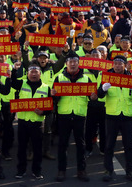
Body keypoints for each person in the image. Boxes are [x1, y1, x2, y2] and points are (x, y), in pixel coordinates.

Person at [97, 54, 132, 182]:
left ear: (125, 65)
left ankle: (130, 171)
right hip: (112, 114)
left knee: (129, 145)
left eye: (120, 64)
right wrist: (103, 89)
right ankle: (108, 170)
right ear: (113, 64)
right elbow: (100, 94)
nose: (117, 66)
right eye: (115, 63)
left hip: (127, 115)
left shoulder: (131, 77)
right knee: (109, 145)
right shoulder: (107, 77)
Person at [52, 52, 95, 182]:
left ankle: (81, 170)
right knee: (62, 144)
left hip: (79, 115)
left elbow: (91, 97)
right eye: (70, 61)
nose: (72, 63)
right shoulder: (59, 78)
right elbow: (55, 99)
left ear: (78, 63)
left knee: (80, 145)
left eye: (75, 61)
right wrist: (53, 94)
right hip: (64, 115)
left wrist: (93, 97)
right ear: (66, 63)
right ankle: (61, 170)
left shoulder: (86, 79)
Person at [11, 59, 49, 180]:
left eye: (36, 72)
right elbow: (12, 82)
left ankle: (36, 171)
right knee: (21, 148)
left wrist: (43, 111)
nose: (33, 74)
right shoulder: (22, 84)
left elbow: (50, 107)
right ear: (27, 73)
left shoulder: (46, 88)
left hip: (38, 123)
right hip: (23, 122)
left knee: (37, 149)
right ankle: (21, 170)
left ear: (40, 74)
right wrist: (13, 70)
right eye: (31, 71)